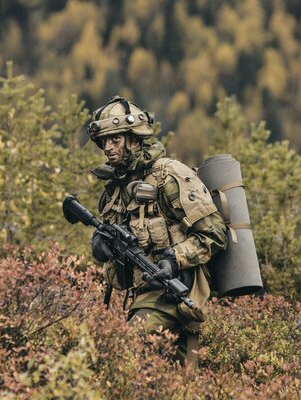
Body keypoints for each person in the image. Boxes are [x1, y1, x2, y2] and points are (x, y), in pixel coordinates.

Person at [87, 96, 227, 365]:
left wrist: (173, 258)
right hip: (143, 294)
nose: (107, 147)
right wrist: (100, 246)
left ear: (135, 138)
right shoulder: (114, 191)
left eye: (115, 139)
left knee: (125, 355)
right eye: (104, 141)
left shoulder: (168, 176)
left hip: (175, 291)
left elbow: (214, 234)